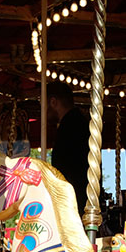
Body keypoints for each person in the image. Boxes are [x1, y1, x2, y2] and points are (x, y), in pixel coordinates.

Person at [47, 80, 91, 212]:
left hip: (73, 204)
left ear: (53, 102)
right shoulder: (78, 123)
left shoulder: (70, 128)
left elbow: (64, 172)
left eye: (43, 104)